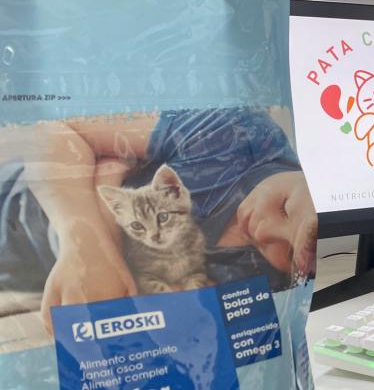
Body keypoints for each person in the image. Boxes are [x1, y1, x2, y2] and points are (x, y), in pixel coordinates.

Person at [0, 107, 316, 335]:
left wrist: (108, 177)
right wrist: (88, 247)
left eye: (288, 253)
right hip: (17, 208)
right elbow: (54, 128)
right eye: (285, 207)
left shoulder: (273, 285)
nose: (263, 230)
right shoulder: (236, 137)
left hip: (32, 281)